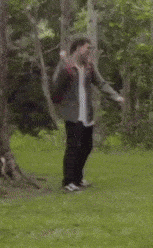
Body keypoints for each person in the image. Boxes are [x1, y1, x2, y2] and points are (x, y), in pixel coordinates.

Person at [51, 37, 124, 192]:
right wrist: (61, 107)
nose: (89, 51)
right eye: (87, 48)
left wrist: (115, 96)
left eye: (90, 48)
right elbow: (56, 90)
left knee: (86, 147)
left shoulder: (90, 67)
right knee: (73, 147)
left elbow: (101, 83)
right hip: (73, 115)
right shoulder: (68, 68)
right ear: (78, 48)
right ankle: (68, 182)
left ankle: (78, 179)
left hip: (87, 114)